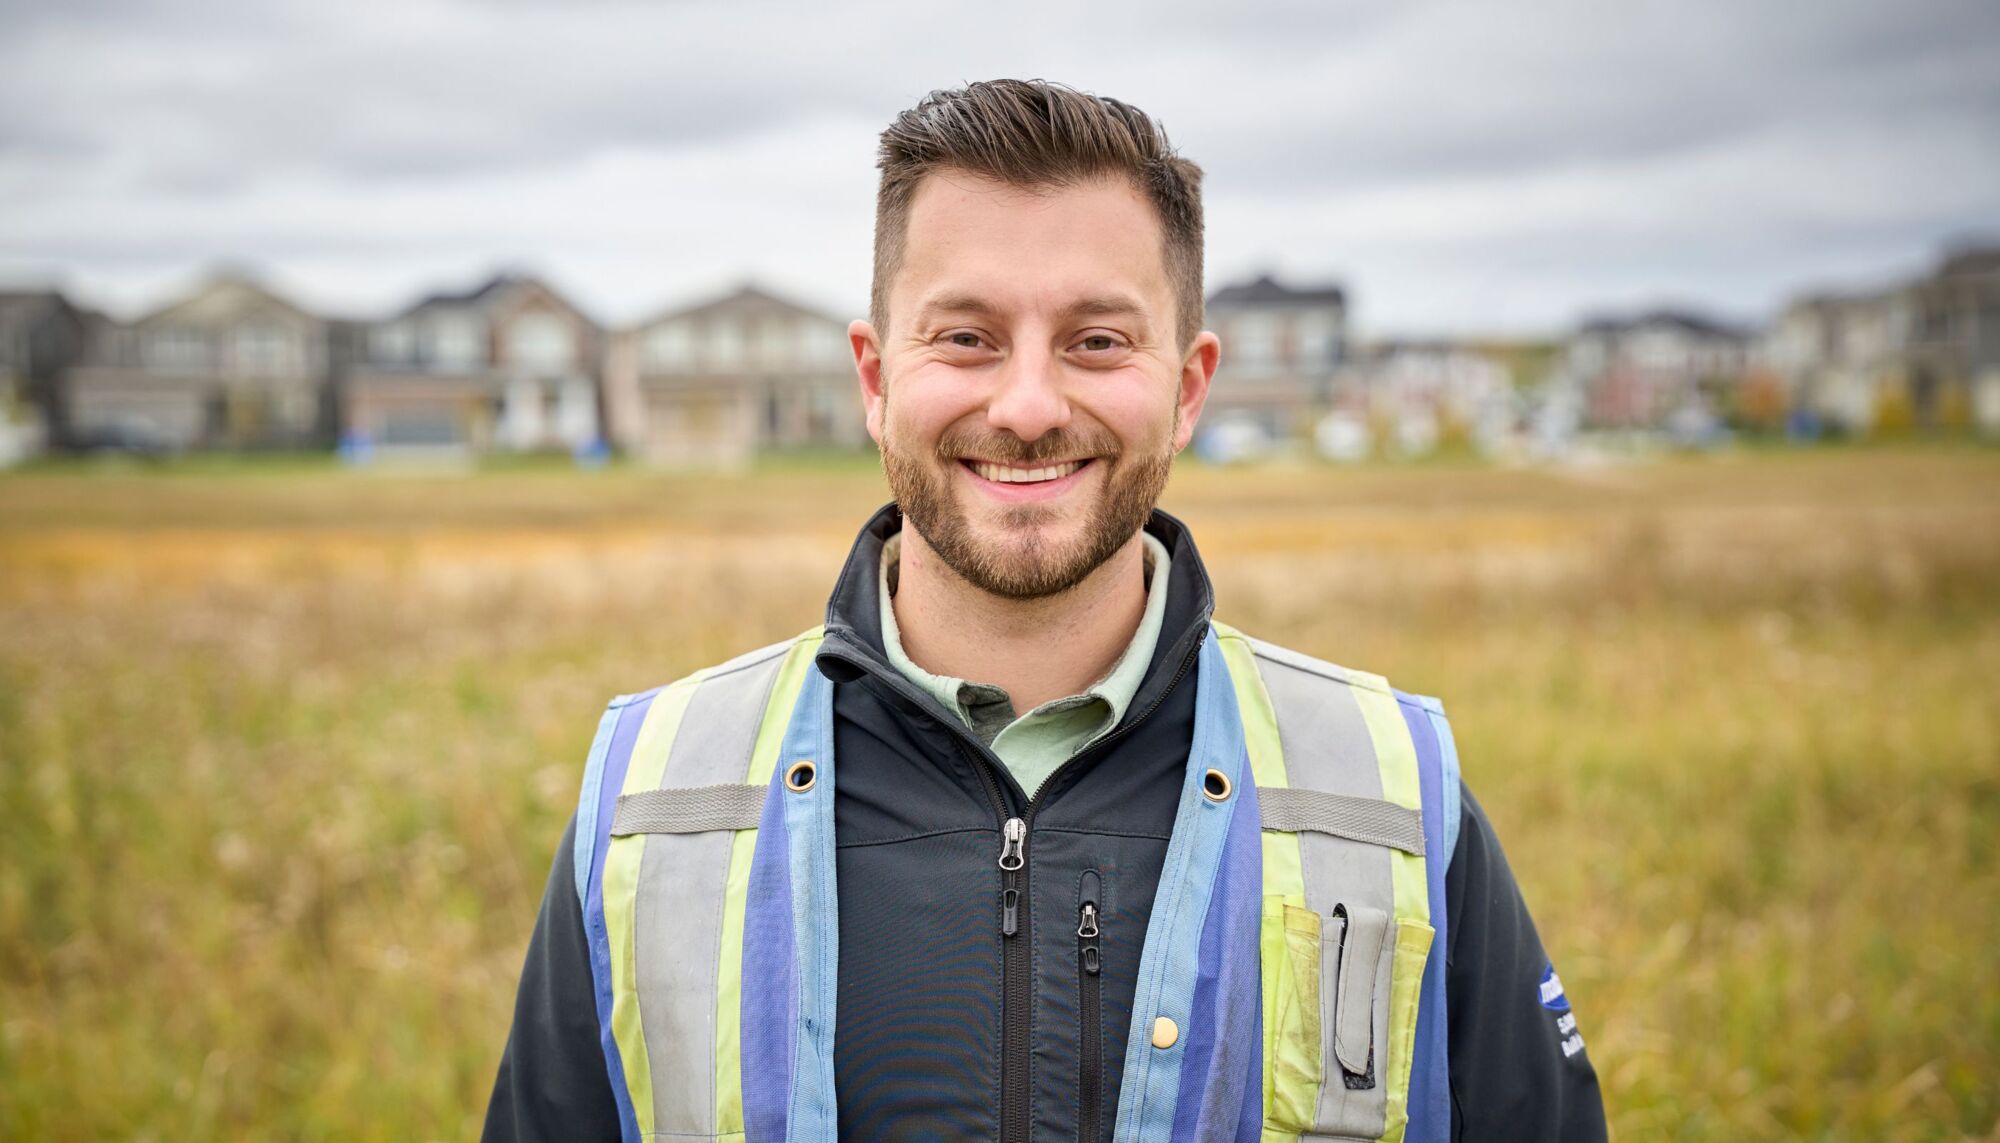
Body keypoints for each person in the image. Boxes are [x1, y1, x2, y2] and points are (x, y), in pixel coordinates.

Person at [484, 79, 1606, 1143]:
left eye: (1097, 341)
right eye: (964, 336)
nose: (1024, 406)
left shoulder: (1391, 793)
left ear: (1188, 386)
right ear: (875, 381)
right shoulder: (652, 800)